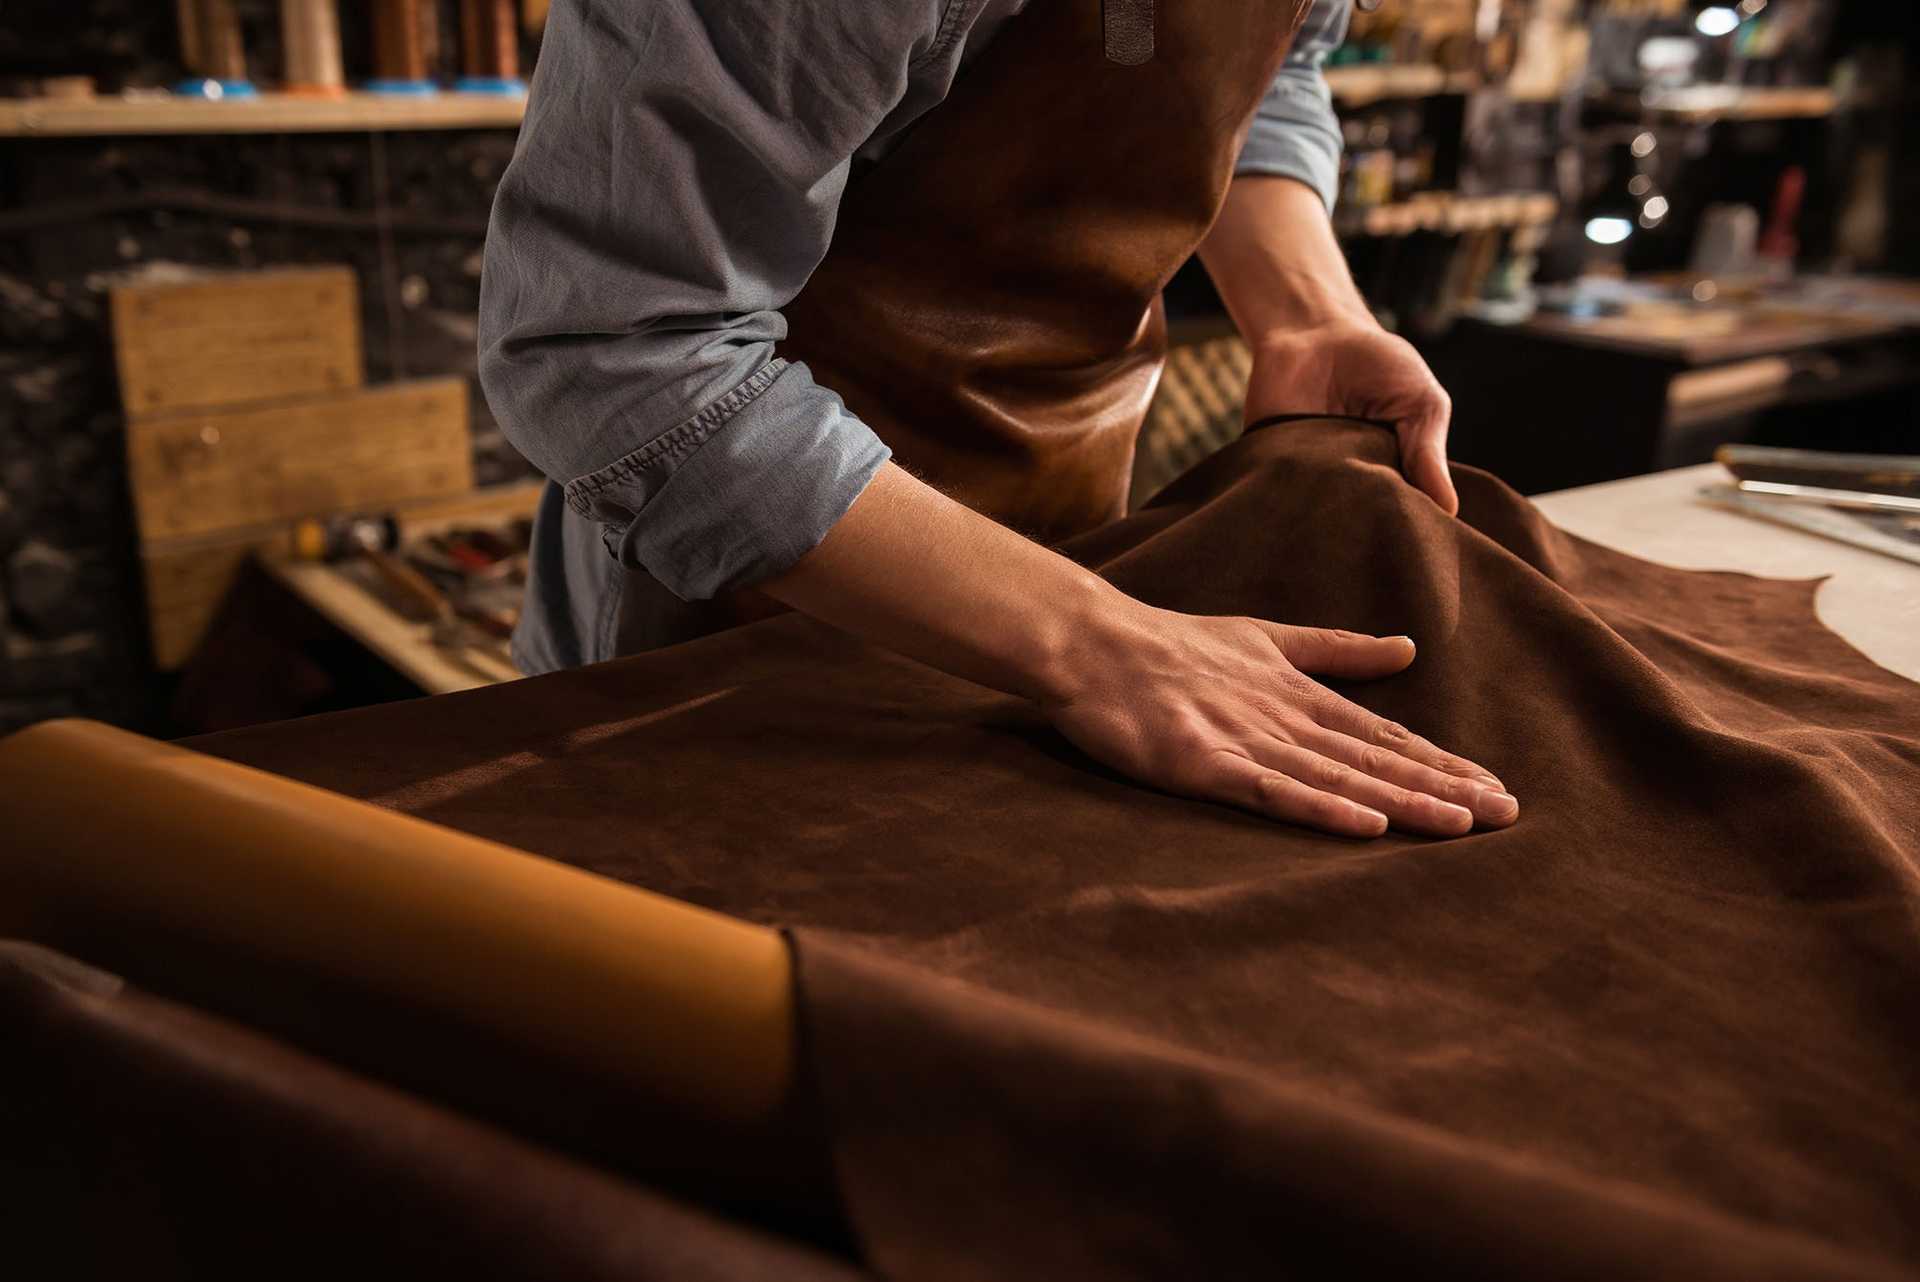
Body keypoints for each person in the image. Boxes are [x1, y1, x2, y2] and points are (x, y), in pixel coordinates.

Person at [478, 0, 1519, 839]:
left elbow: (1264, 70)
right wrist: (1098, 645)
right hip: (747, 631)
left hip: (1080, 578)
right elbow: (610, 351)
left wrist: (1306, 316)